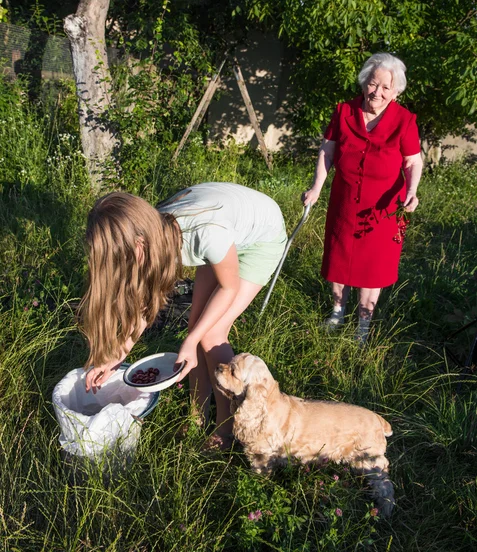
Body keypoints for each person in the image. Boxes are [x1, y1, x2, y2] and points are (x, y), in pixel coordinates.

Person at [79, 182, 287, 448]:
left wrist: (192, 341)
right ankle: (196, 416)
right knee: (195, 327)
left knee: (211, 333)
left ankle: (226, 429)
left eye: (123, 259)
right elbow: (147, 302)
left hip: (260, 237)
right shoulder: (149, 231)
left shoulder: (204, 234)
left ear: (140, 244)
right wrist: (118, 355)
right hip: (226, 229)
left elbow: (229, 287)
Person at [302, 52, 423, 344]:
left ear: (395, 92)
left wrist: (411, 191)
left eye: (385, 88)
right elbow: (327, 151)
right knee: (340, 258)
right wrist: (317, 187)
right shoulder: (344, 111)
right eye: (373, 83)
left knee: (373, 267)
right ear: (363, 82)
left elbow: (413, 161)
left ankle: (363, 326)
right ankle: (336, 311)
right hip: (345, 200)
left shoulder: (404, 121)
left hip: (382, 209)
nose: (377, 92)